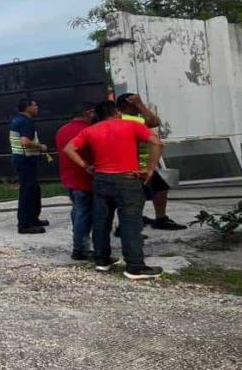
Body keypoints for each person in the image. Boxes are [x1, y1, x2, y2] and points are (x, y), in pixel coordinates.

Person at [63, 100, 165, 280]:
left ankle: (102, 260)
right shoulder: (131, 125)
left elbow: (69, 148)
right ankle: (134, 266)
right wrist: (150, 167)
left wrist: (86, 166)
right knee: (130, 223)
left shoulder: (90, 130)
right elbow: (156, 142)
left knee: (102, 222)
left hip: (101, 180)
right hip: (127, 180)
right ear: (117, 112)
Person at [115, 92, 186, 230]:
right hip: (132, 164)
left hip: (141, 161)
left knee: (156, 187)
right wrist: (140, 104)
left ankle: (152, 219)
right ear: (129, 105)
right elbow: (153, 121)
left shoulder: (128, 118)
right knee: (136, 194)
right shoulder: (126, 119)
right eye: (136, 105)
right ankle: (130, 224)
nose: (139, 108)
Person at [55, 103, 97, 260]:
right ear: (88, 113)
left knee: (78, 211)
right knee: (84, 213)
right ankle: (80, 249)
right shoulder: (87, 130)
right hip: (85, 178)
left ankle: (80, 244)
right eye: (93, 113)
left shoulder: (62, 130)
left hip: (69, 178)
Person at [9, 98, 50, 234]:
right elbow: (25, 142)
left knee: (33, 190)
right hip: (26, 161)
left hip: (21, 160)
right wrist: (40, 146)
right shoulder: (27, 122)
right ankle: (25, 224)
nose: (37, 107)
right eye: (34, 105)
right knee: (27, 192)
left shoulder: (17, 120)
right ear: (27, 108)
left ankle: (33, 219)